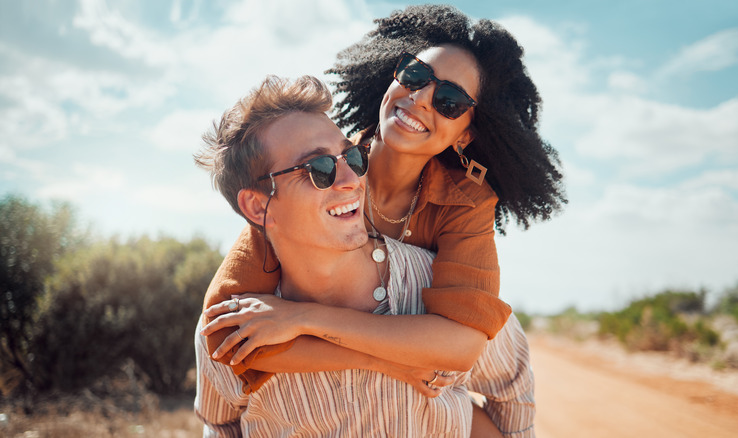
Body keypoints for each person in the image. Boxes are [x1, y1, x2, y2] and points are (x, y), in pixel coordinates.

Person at [200, 3, 564, 435]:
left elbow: (463, 346)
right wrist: (387, 361)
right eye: (415, 76)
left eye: (449, 101)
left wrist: (303, 318)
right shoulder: (320, 175)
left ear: (465, 134)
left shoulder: (466, 202)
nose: (421, 98)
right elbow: (226, 337)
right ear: (392, 77)